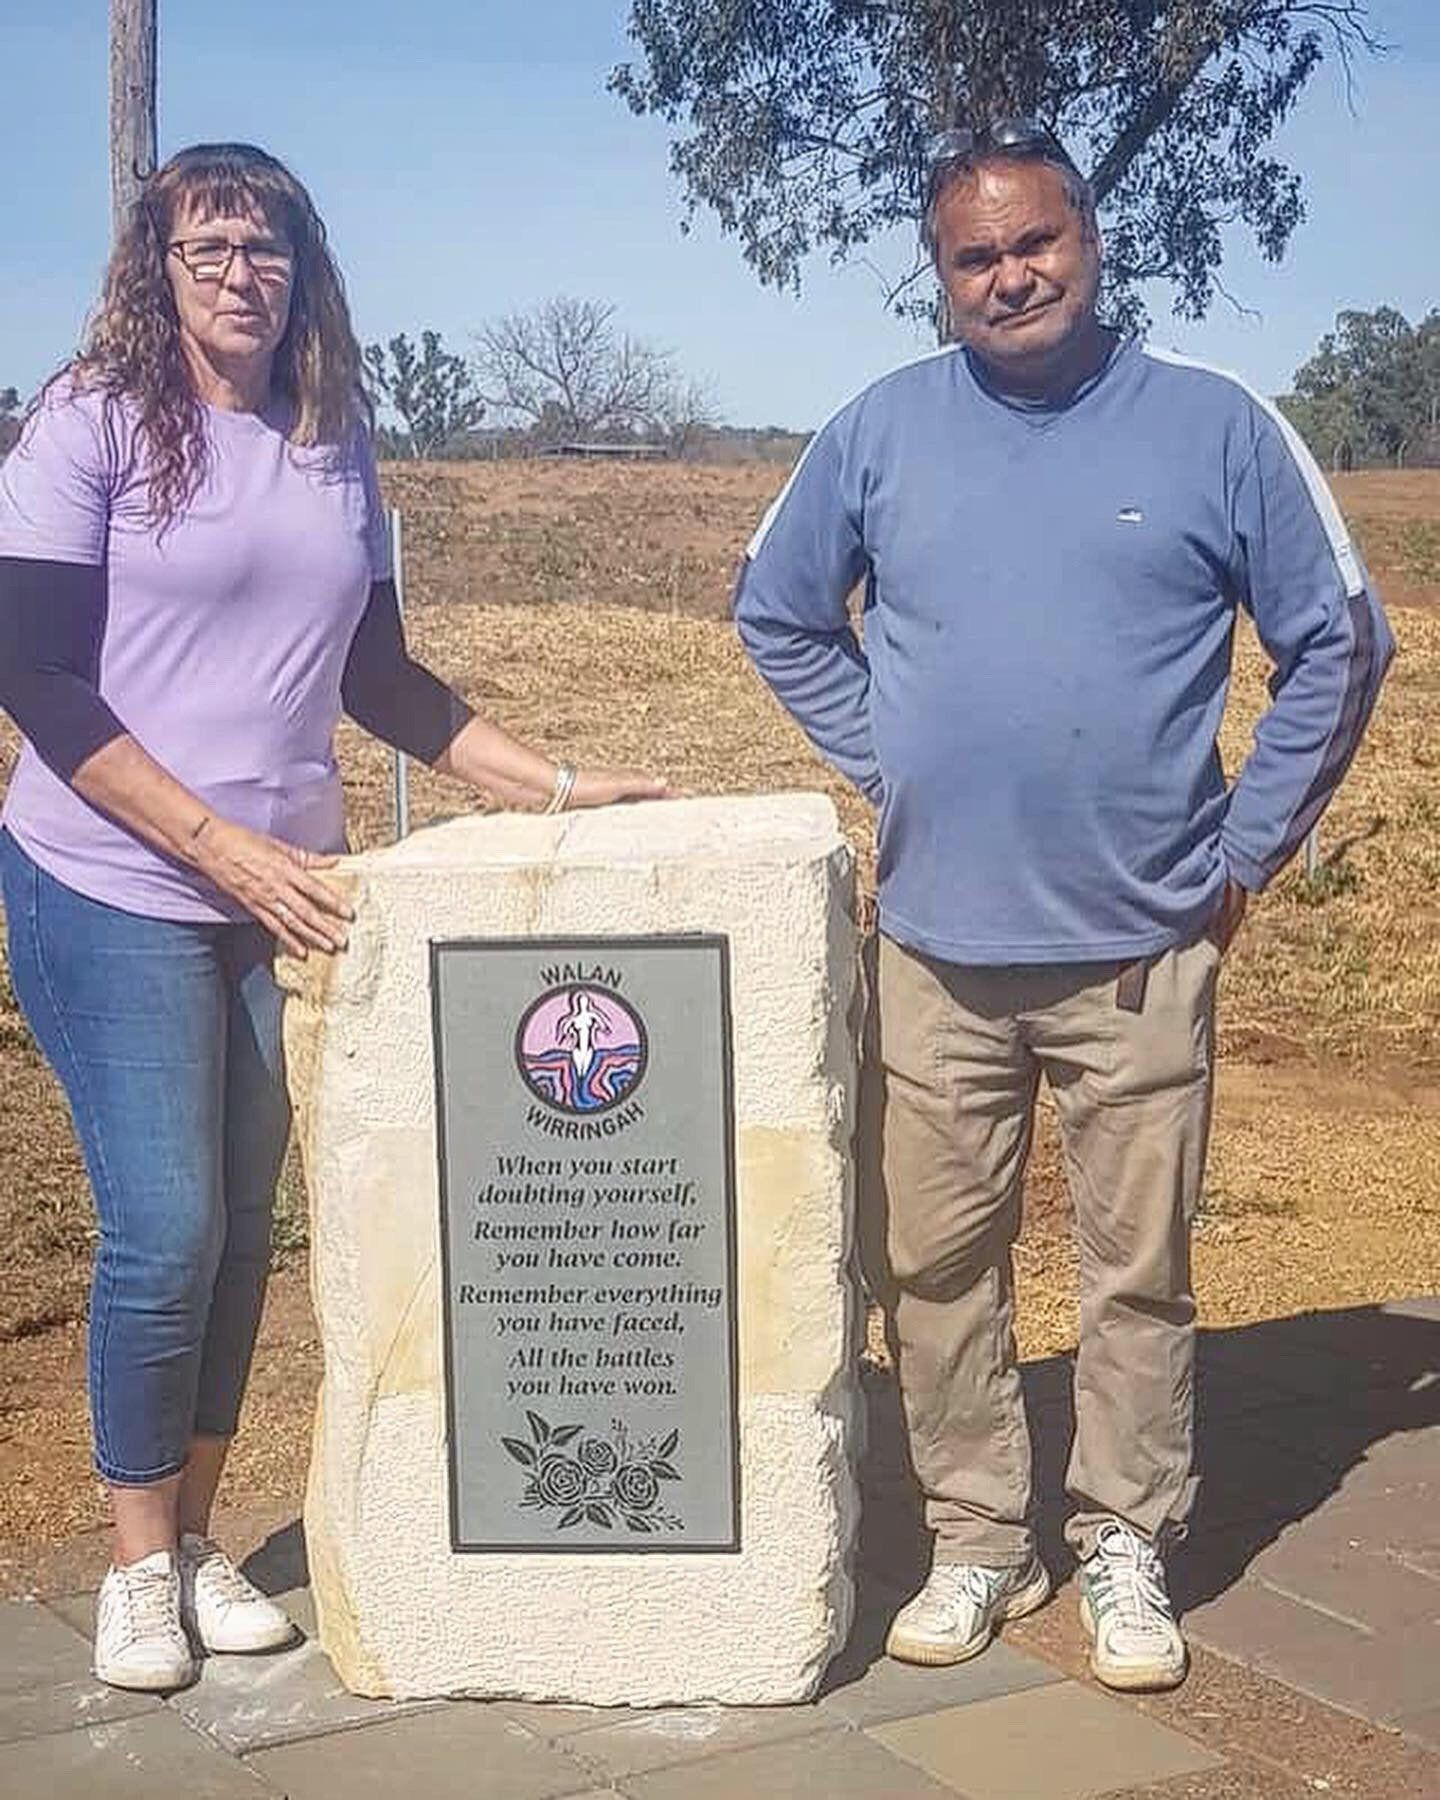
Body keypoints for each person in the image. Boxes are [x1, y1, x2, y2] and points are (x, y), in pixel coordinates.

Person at [734, 120, 1392, 1694]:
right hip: (941, 955)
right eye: (976, 255)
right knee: (935, 1269)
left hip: (1145, 948)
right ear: (939, 276)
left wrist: (1244, 859)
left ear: (1090, 244)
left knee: (1136, 1270)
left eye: (1037, 242)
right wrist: (890, 759)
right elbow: (777, 611)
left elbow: (1341, 643)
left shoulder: (1215, 426)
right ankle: (978, 1537)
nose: (1010, 273)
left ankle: (1124, 1537)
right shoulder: (879, 431)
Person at [0, 142, 664, 1693]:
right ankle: (130, 1569)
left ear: (304, 268)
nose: (241, 273)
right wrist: (215, 846)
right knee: (164, 1228)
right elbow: (32, 678)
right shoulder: (87, 421)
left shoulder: (331, 432)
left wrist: (554, 783)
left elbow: (378, 679)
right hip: (117, 877)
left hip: (290, 888)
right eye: (207, 247)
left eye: (267, 246)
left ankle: (196, 1537)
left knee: (245, 1237)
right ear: (154, 271)